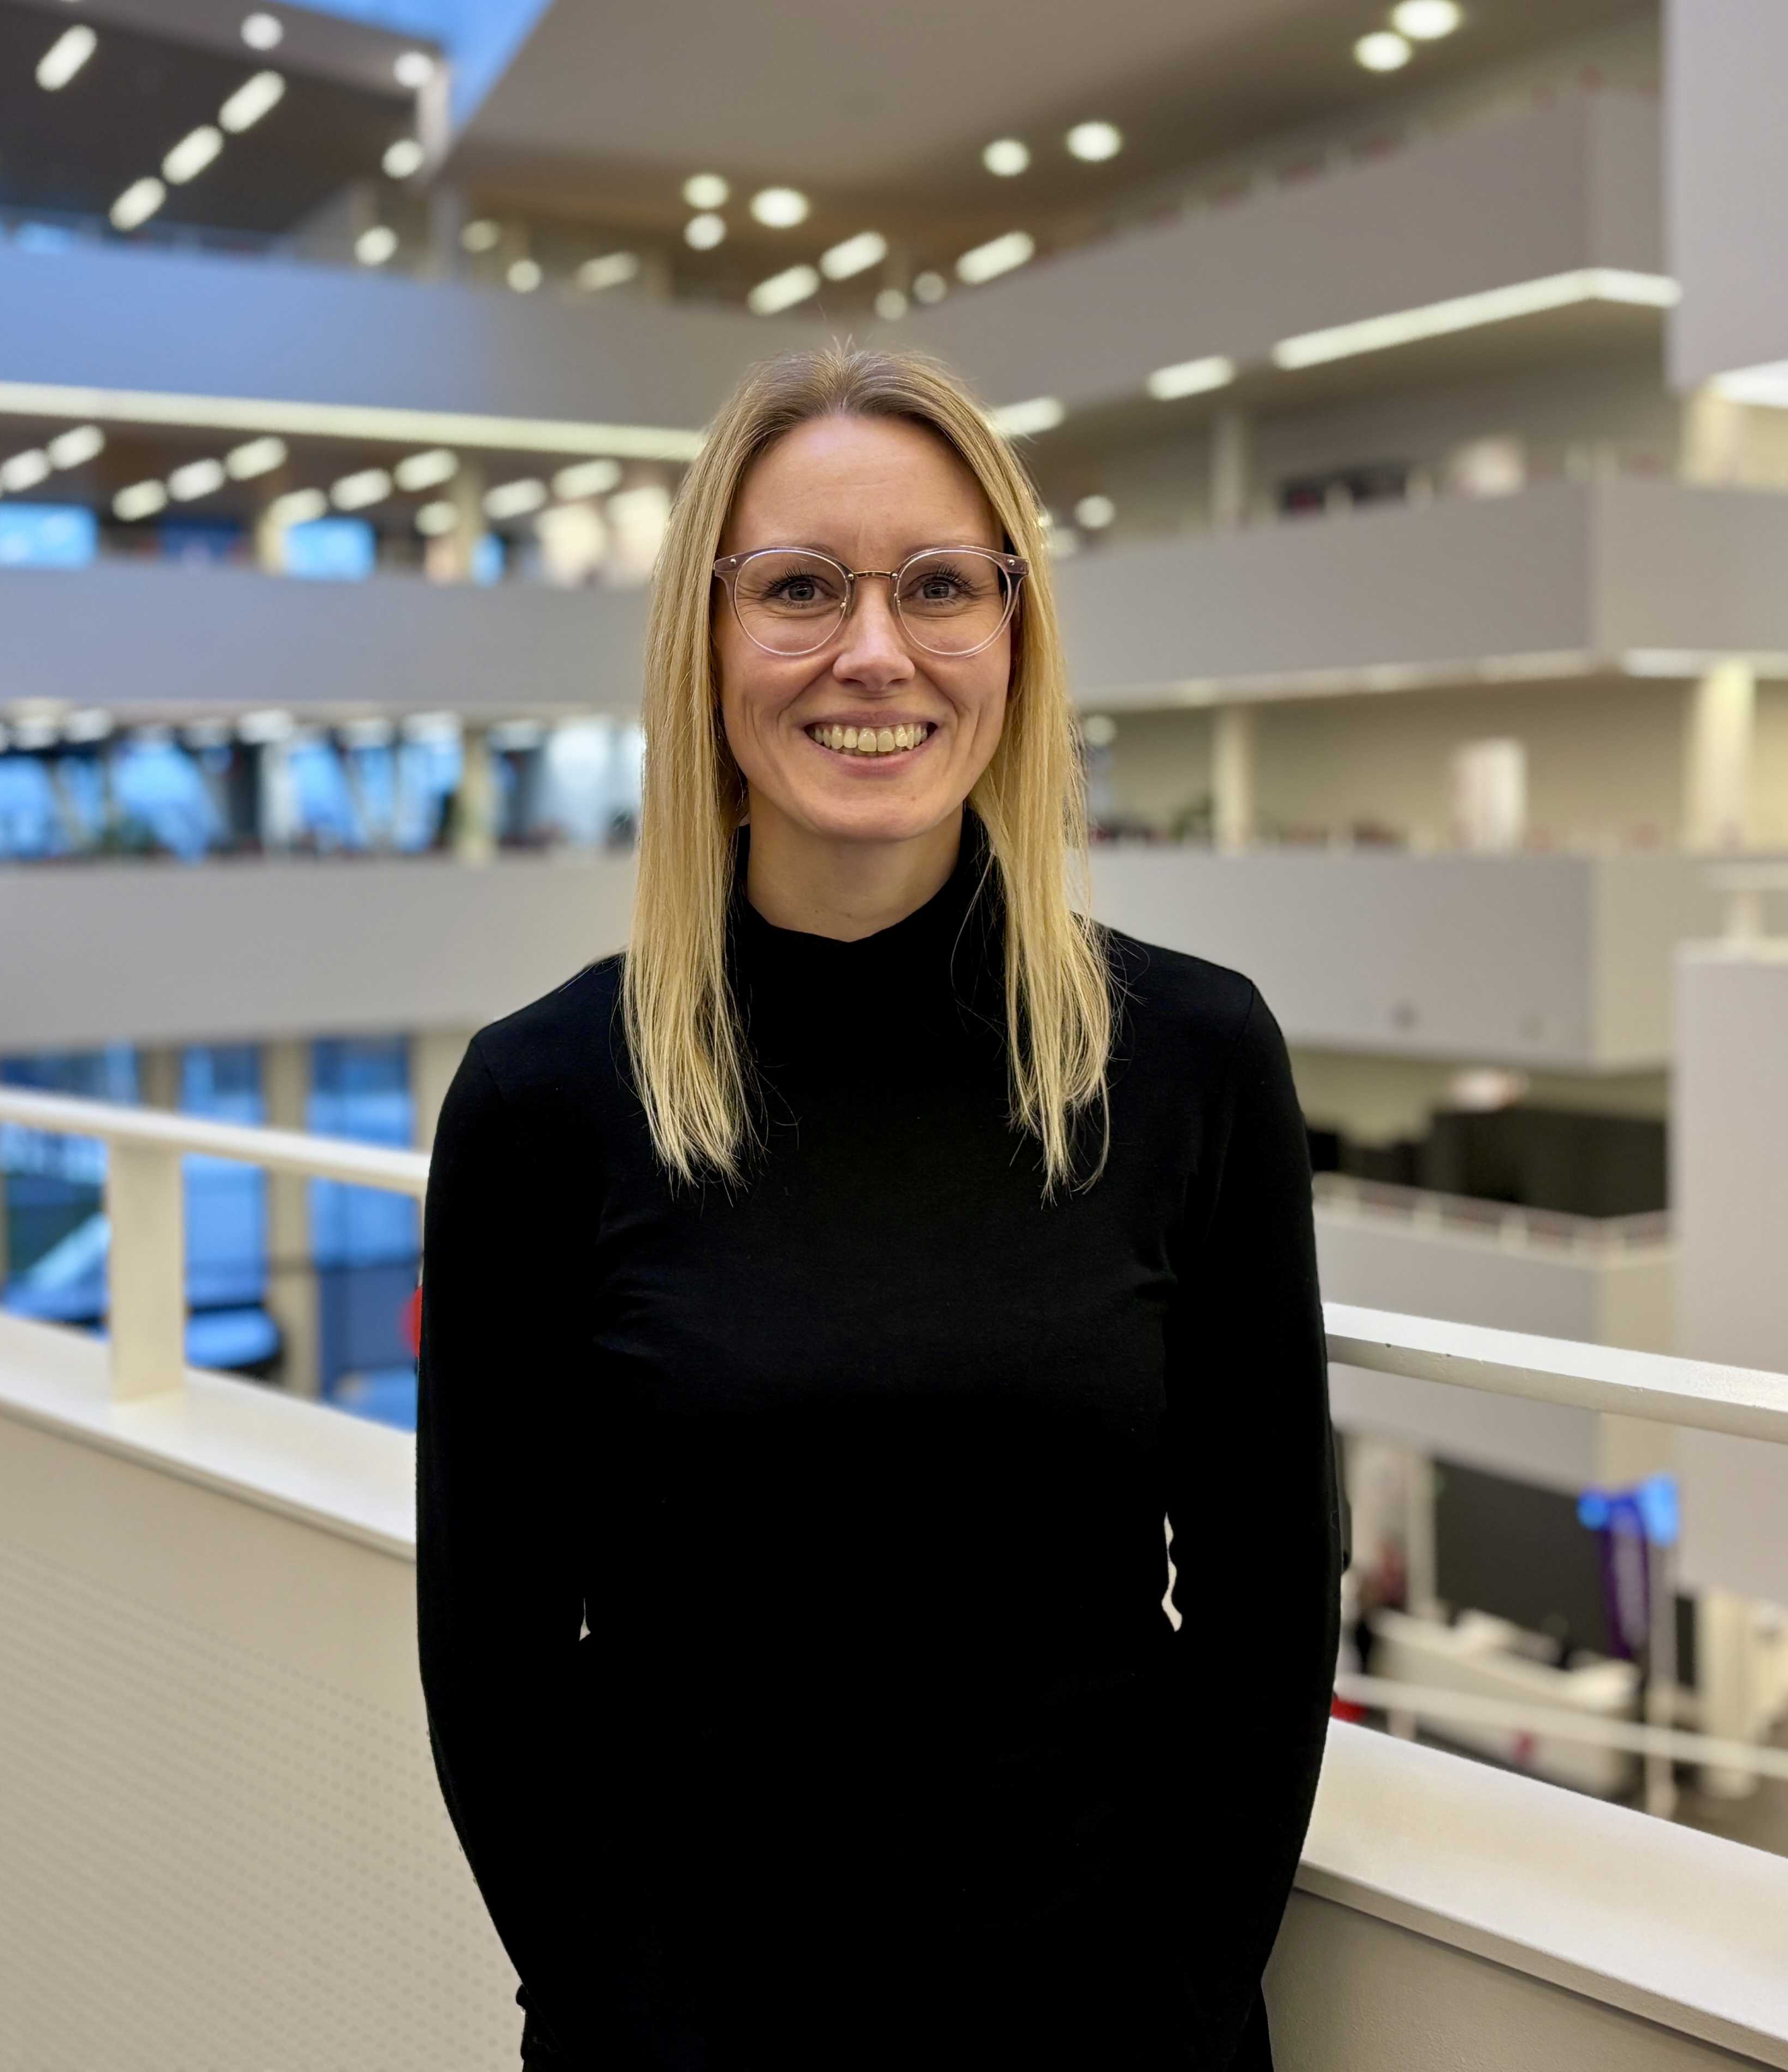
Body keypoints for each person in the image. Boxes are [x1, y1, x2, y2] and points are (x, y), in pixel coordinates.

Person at [416, 341, 1343, 2071]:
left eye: (938, 586)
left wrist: (1180, 2005)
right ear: (706, 642)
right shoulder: (544, 1103)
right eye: (799, 588)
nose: (874, 651)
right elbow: (495, 1654)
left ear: (1014, 635)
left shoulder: (1192, 1059)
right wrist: (616, 2014)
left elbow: (1271, 1599)